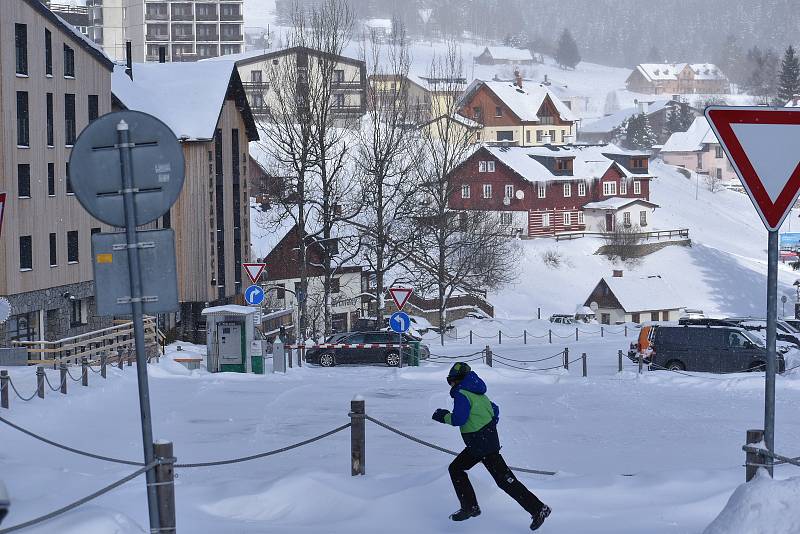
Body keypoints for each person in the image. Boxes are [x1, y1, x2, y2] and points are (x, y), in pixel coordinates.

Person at [432, 362, 551, 531]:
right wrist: (488, 425)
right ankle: (537, 508)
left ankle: (471, 507)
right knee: (504, 481)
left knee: (457, 469)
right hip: (487, 441)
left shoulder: (462, 393)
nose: (450, 385)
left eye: (450, 381)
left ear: (456, 380)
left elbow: (459, 419)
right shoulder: (479, 392)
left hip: (479, 444)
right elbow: (495, 409)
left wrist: (442, 416)